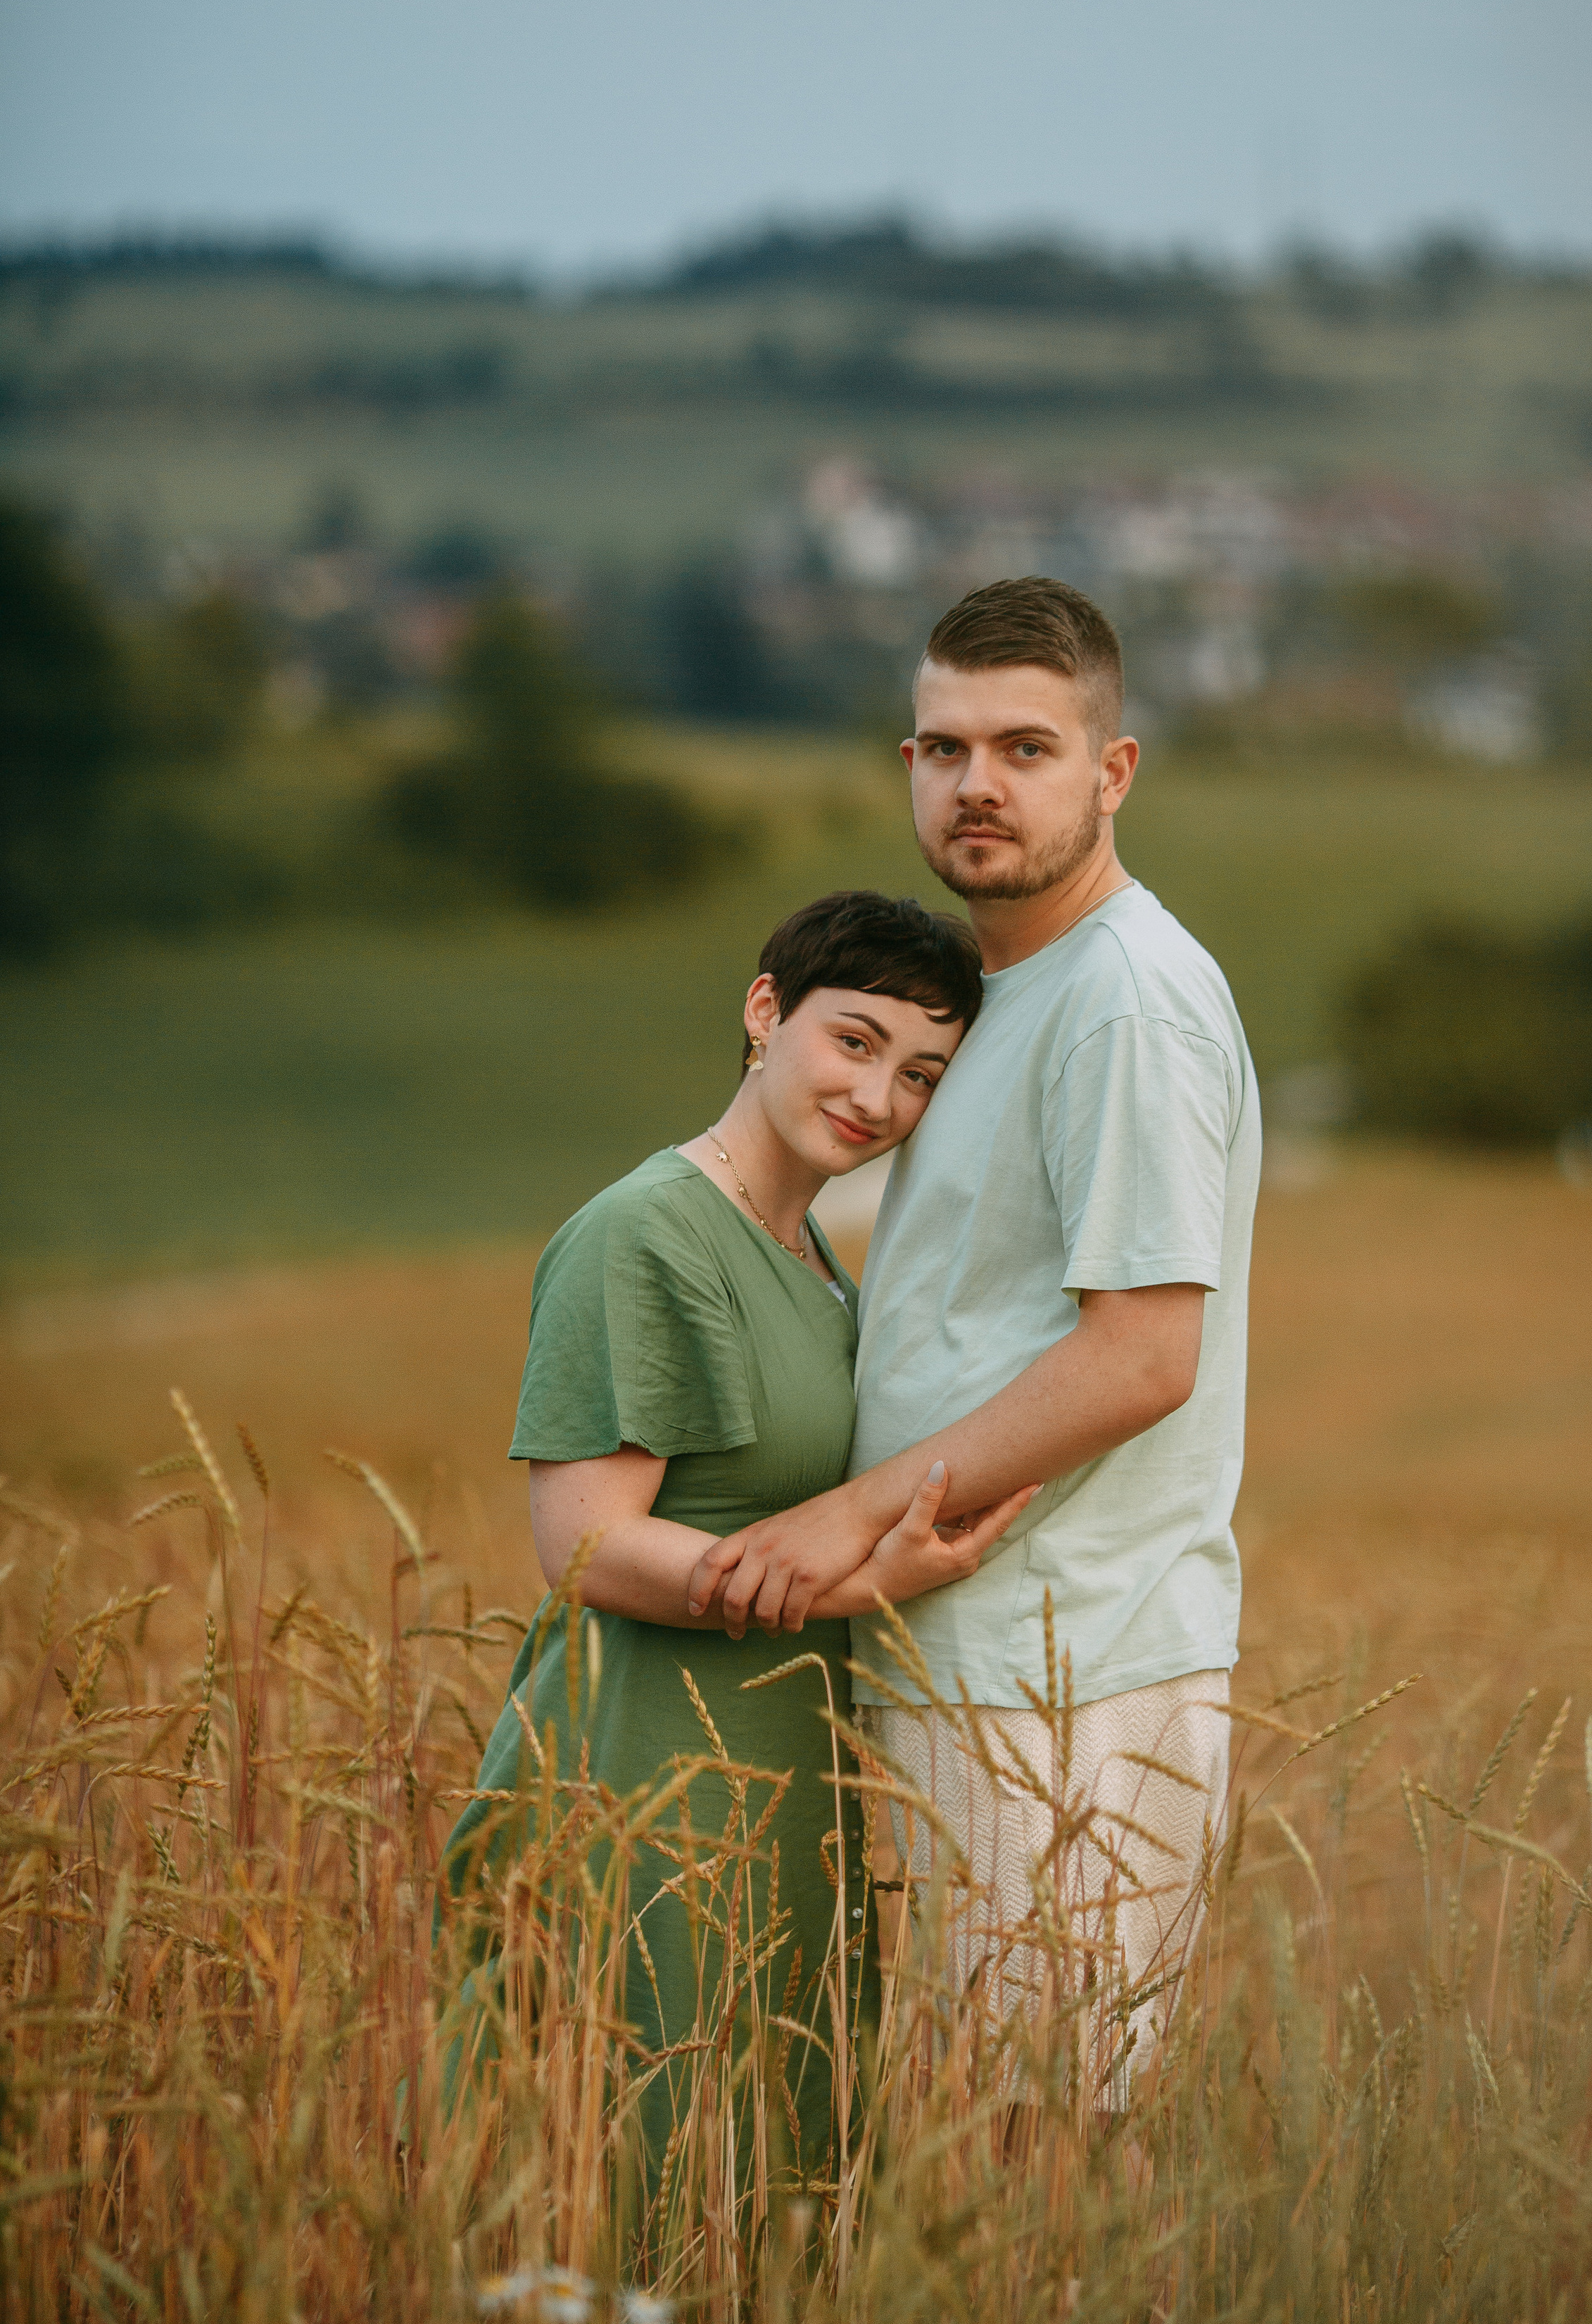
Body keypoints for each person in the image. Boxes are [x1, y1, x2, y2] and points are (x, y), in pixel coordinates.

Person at [686, 578, 1261, 2091]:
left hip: (1063, 1673)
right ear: (907, 767)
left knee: (1030, 2168)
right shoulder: (990, 992)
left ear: (1112, 771)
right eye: (944, 751)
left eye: (1024, 747)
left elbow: (1142, 1354)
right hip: (955, 1651)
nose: (978, 785)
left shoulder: (1126, 1002)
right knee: (956, 2152)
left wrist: (848, 1515)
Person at [438, 889, 1034, 2208]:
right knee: (628, 2188)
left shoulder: (813, 1246)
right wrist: (867, 1582)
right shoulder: (646, 1232)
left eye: (923, 1073)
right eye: (857, 1041)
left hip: (778, 1785)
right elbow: (587, 1550)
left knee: (767, 2199)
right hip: (649, 1777)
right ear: (765, 1013)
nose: (880, 1097)